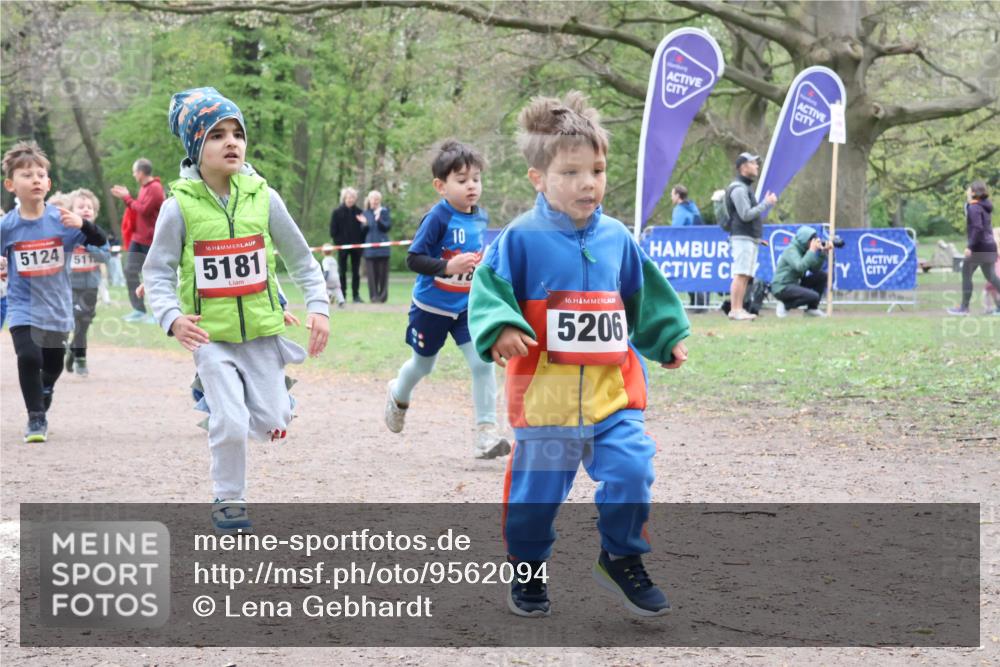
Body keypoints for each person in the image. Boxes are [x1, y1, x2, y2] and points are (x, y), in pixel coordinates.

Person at [469, 92, 690, 618]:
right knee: (533, 503)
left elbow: (644, 295)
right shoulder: (520, 239)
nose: (588, 183)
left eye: (597, 170)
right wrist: (500, 326)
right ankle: (527, 569)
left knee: (634, 470)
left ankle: (620, 556)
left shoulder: (617, 237)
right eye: (571, 172)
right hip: (546, 408)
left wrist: (666, 336)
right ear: (538, 177)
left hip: (613, 398)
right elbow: (487, 291)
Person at [143, 88, 330, 533]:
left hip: (262, 334)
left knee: (274, 422)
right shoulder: (178, 207)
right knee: (230, 421)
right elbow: (157, 272)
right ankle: (229, 500)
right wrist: (172, 318)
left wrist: (317, 306)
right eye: (216, 135)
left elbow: (301, 259)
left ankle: (226, 394)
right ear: (194, 146)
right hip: (212, 337)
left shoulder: (264, 198)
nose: (231, 142)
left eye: (237, 133)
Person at [384, 139, 510, 459]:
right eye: (462, 180)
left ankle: (486, 434)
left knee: (482, 363)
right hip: (431, 308)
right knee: (423, 366)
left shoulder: (480, 217)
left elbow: (480, 259)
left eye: (476, 179)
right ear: (441, 186)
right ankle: (398, 395)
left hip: (467, 308)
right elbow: (413, 259)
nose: (472, 186)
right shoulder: (437, 219)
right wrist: (447, 266)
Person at [1, 141, 108, 442]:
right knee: (28, 356)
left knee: (52, 365)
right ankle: (36, 418)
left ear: (48, 183)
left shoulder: (61, 220)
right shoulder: (6, 226)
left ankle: (46, 387)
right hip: (22, 305)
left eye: (40, 174)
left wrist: (84, 224)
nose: (34, 179)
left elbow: (100, 242)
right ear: (11, 184)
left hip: (57, 308)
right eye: (26, 175)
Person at [111, 157, 165, 322]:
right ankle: (138, 310)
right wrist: (128, 199)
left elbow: (144, 210)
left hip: (151, 241)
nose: (134, 175)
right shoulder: (144, 188)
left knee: (154, 276)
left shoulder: (155, 188)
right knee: (129, 271)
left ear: (141, 173)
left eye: (134, 172)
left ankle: (159, 313)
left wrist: (127, 198)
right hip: (138, 239)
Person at [64, 189, 111, 375]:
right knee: (76, 318)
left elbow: (105, 258)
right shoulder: (67, 234)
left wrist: (89, 246)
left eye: (89, 207)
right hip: (69, 286)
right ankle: (78, 356)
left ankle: (76, 353)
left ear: (95, 212)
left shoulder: (98, 235)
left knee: (84, 322)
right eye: (81, 207)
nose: (86, 210)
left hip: (91, 286)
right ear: (71, 211)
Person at [726, 152, 777, 321]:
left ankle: (738, 309)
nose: (757, 166)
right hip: (742, 238)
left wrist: (756, 238)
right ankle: (735, 309)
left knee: (745, 275)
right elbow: (746, 215)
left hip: (748, 238)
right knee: (740, 274)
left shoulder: (745, 188)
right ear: (743, 167)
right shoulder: (739, 189)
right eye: (753, 163)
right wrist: (766, 203)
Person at [948, 181, 1000, 316]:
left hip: (979, 247)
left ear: (973, 192)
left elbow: (977, 228)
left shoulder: (974, 208)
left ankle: (964, 308)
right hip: (990, 246)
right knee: (992, 277)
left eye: (968, 190)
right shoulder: (984, 206)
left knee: (966, 274)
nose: (966, 192)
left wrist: (970, 246)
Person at [771, 226, 830, 318]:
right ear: (805, 240)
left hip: (795, 283)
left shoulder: (804, 250)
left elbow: (814, 269)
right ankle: (785, 305)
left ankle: (812, 309)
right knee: (814, 296)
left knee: (822, 276)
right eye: (812, 241)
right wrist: (811, 251)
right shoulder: (791, 250)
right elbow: (800, 267)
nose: (814, 243)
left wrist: (823, 253)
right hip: (782, 287)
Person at [670, 185, 708, 309]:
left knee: (687, 273)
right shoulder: (693, 208)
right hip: (697, 245)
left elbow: (676, 229)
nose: (671, 197)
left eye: (672, 194)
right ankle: (699, 303)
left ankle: (697, 303)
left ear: (677, 195)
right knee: (697, 273)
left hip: (684, 246)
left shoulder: (679, 210)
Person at [330, 187, 366, 303]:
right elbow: (333, 231)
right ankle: (343, 295)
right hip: (342, 247)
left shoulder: (359, 212)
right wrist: (339, 244)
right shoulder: (337, 212)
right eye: (349, 197)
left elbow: (364, 232)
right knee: (342, 272)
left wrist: (365, 224)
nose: (351, 199)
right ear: (344, 198)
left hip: (356, 248)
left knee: (356, 272)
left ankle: (356, 295)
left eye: (353, 197)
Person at [361, 189, 391, 303]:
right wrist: (364, 224)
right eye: (372, 199)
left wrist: (379, 221)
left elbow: (387, 227)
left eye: (377, 199)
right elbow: (362, 232)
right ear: (369, 200)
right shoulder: (365, 213)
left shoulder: (385, 212)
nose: (374, 201)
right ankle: (374, 297)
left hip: (383, 249)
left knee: (383, 275)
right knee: (371, 276)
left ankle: (382, 297)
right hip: (369, 250)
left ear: (380, 200)